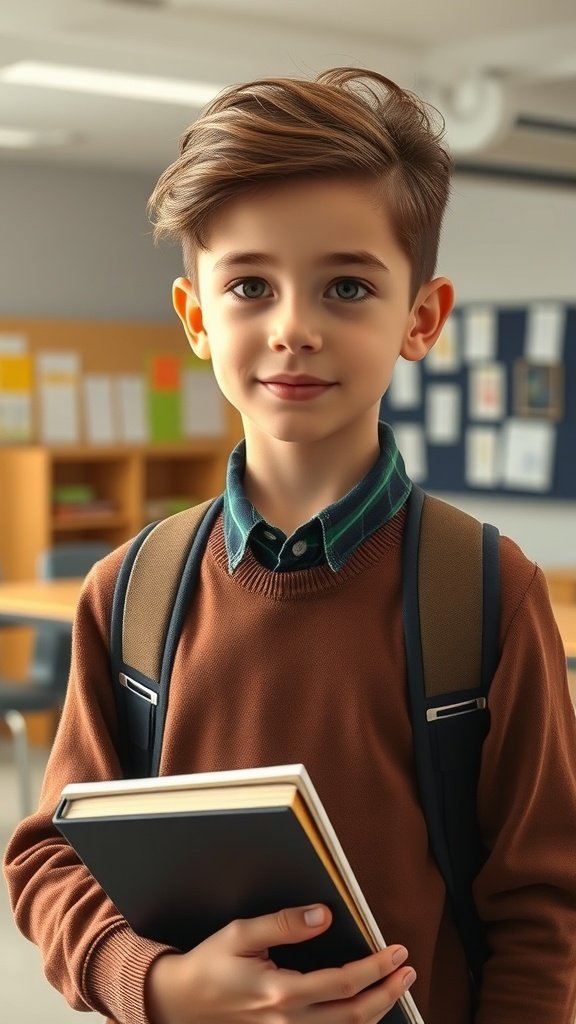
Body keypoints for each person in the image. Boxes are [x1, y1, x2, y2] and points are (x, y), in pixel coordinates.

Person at [4, 67, 576, 1024]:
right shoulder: (130, 593)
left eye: (347, 285)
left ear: (421, 319)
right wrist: (162, 985)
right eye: (249, 286)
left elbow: (542, 911)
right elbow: (49, 857)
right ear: (196, 318)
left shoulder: (483, 591)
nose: (295, 329)